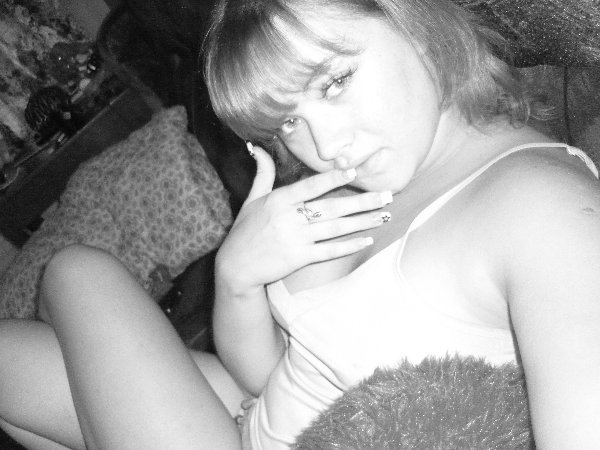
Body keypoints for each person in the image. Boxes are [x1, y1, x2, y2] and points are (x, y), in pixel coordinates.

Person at [1, 0, 599, 448]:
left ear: (412, 20)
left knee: (74, 272)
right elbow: (264, 375)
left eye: (335, 82)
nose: (326, 145)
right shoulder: (360, 181)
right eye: (286, 122)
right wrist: (238, 277)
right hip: (257, 416)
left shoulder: (543, 204)